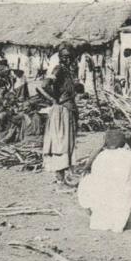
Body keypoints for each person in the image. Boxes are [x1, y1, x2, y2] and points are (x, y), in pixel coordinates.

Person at [77, 130, 131, 232]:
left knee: (88, 181)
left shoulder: (101, 156)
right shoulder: (127, 155)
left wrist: (101, 145)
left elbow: (88, 166)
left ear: (106, 142)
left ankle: (98, 216)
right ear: (123, 143)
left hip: (102, 198)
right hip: (120, 198)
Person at [37, 44, 78, 185]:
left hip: (67, 109)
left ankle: (63, 176)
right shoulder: (59, 69)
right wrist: (54, 98)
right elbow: (44, 85)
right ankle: (60, 178)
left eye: (69, 57)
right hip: (62, 110)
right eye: (64, 57)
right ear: (60, 58)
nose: (67, 59)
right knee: (61, 142)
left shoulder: (68, 71)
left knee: (66, 142)